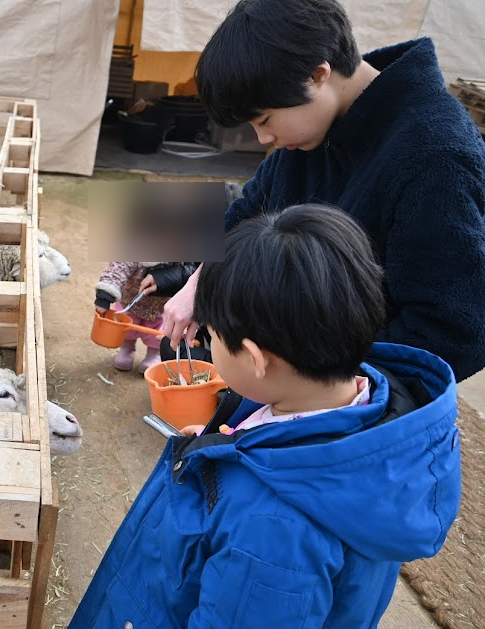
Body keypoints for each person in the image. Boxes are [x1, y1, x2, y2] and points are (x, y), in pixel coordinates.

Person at [69, 204, 461, 629]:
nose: (208, 342)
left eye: (212, 335)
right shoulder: (364, 422)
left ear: (256, 359)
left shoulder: (271, 532)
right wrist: (224, 446)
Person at [159, 0, 485, 382]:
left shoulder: (436, 156)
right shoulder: (317, 127)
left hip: (354, 396)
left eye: (265, 120)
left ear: (317, 75)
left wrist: (313, 386)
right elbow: (251, 210)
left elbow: (454, 331)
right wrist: (200, 283)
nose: (264, 138)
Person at [95, 262, 196, 373]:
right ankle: (127, 348)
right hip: (130, 303)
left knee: (157, 332)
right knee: (127, 328)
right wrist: (105, 294)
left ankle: (154, 353)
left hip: (160, 307)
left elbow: (189, 269)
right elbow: (117, 269)